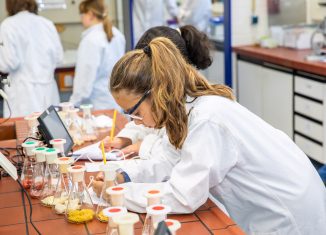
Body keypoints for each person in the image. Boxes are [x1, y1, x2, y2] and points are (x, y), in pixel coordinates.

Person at [108, 37, 326, 234]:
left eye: (136, 113)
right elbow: (169, 160)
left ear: (155, 93)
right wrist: (123, 176)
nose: (139, 122)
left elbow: (183, 196)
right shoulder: (187, 110)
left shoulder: (206, 118)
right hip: (280, 206)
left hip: (291, 217)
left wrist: (118, 194)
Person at [102, 25, 213, 157]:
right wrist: (125, 139)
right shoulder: (168, 102)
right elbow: (148, 125)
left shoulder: (198, 113)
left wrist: (144, 146)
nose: (137, 120)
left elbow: (175, 156)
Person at [0, 0, 63, 118]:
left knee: (26, 133)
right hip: (48, 92)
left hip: (22, 95)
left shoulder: (8, 25)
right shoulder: (47, 23)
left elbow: (8, 64)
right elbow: (59, 58)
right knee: (52, 131)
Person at [69, 0, 125, 110]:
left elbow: (84, 79)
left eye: (82, 15)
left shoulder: (90, 40)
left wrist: (73, 104)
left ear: (90, 14)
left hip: (98, 106)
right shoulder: (118, 35)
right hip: (117, 102)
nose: (81, 19)